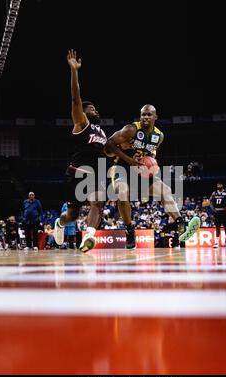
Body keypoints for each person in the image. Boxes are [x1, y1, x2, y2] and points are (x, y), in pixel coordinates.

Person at [106, 104, 200, 249]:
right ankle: (130, 231)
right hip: (122, 167)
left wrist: (151, 164)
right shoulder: (131, 129)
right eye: (143, 114)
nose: (145, 117)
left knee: (165, 190)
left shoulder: (159, 136)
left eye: (149, 114)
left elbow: (150, 153)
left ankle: (181, 224)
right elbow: (109, 144)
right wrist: (129, 159)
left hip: (142, 170)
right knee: (122, 192)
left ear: (155, 117)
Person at [53, 50, 112, 253]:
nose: (95, 110)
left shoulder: (102, 132)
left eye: (95, 108)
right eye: (91, 108)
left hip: (95, 175)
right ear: (84, 112)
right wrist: (74, 71)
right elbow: (76, 98)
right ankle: (59, 225)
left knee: (98, 202)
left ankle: (88, 236)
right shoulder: (82, 123)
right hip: (77, 172)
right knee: (72, 215)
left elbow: (107, 153)